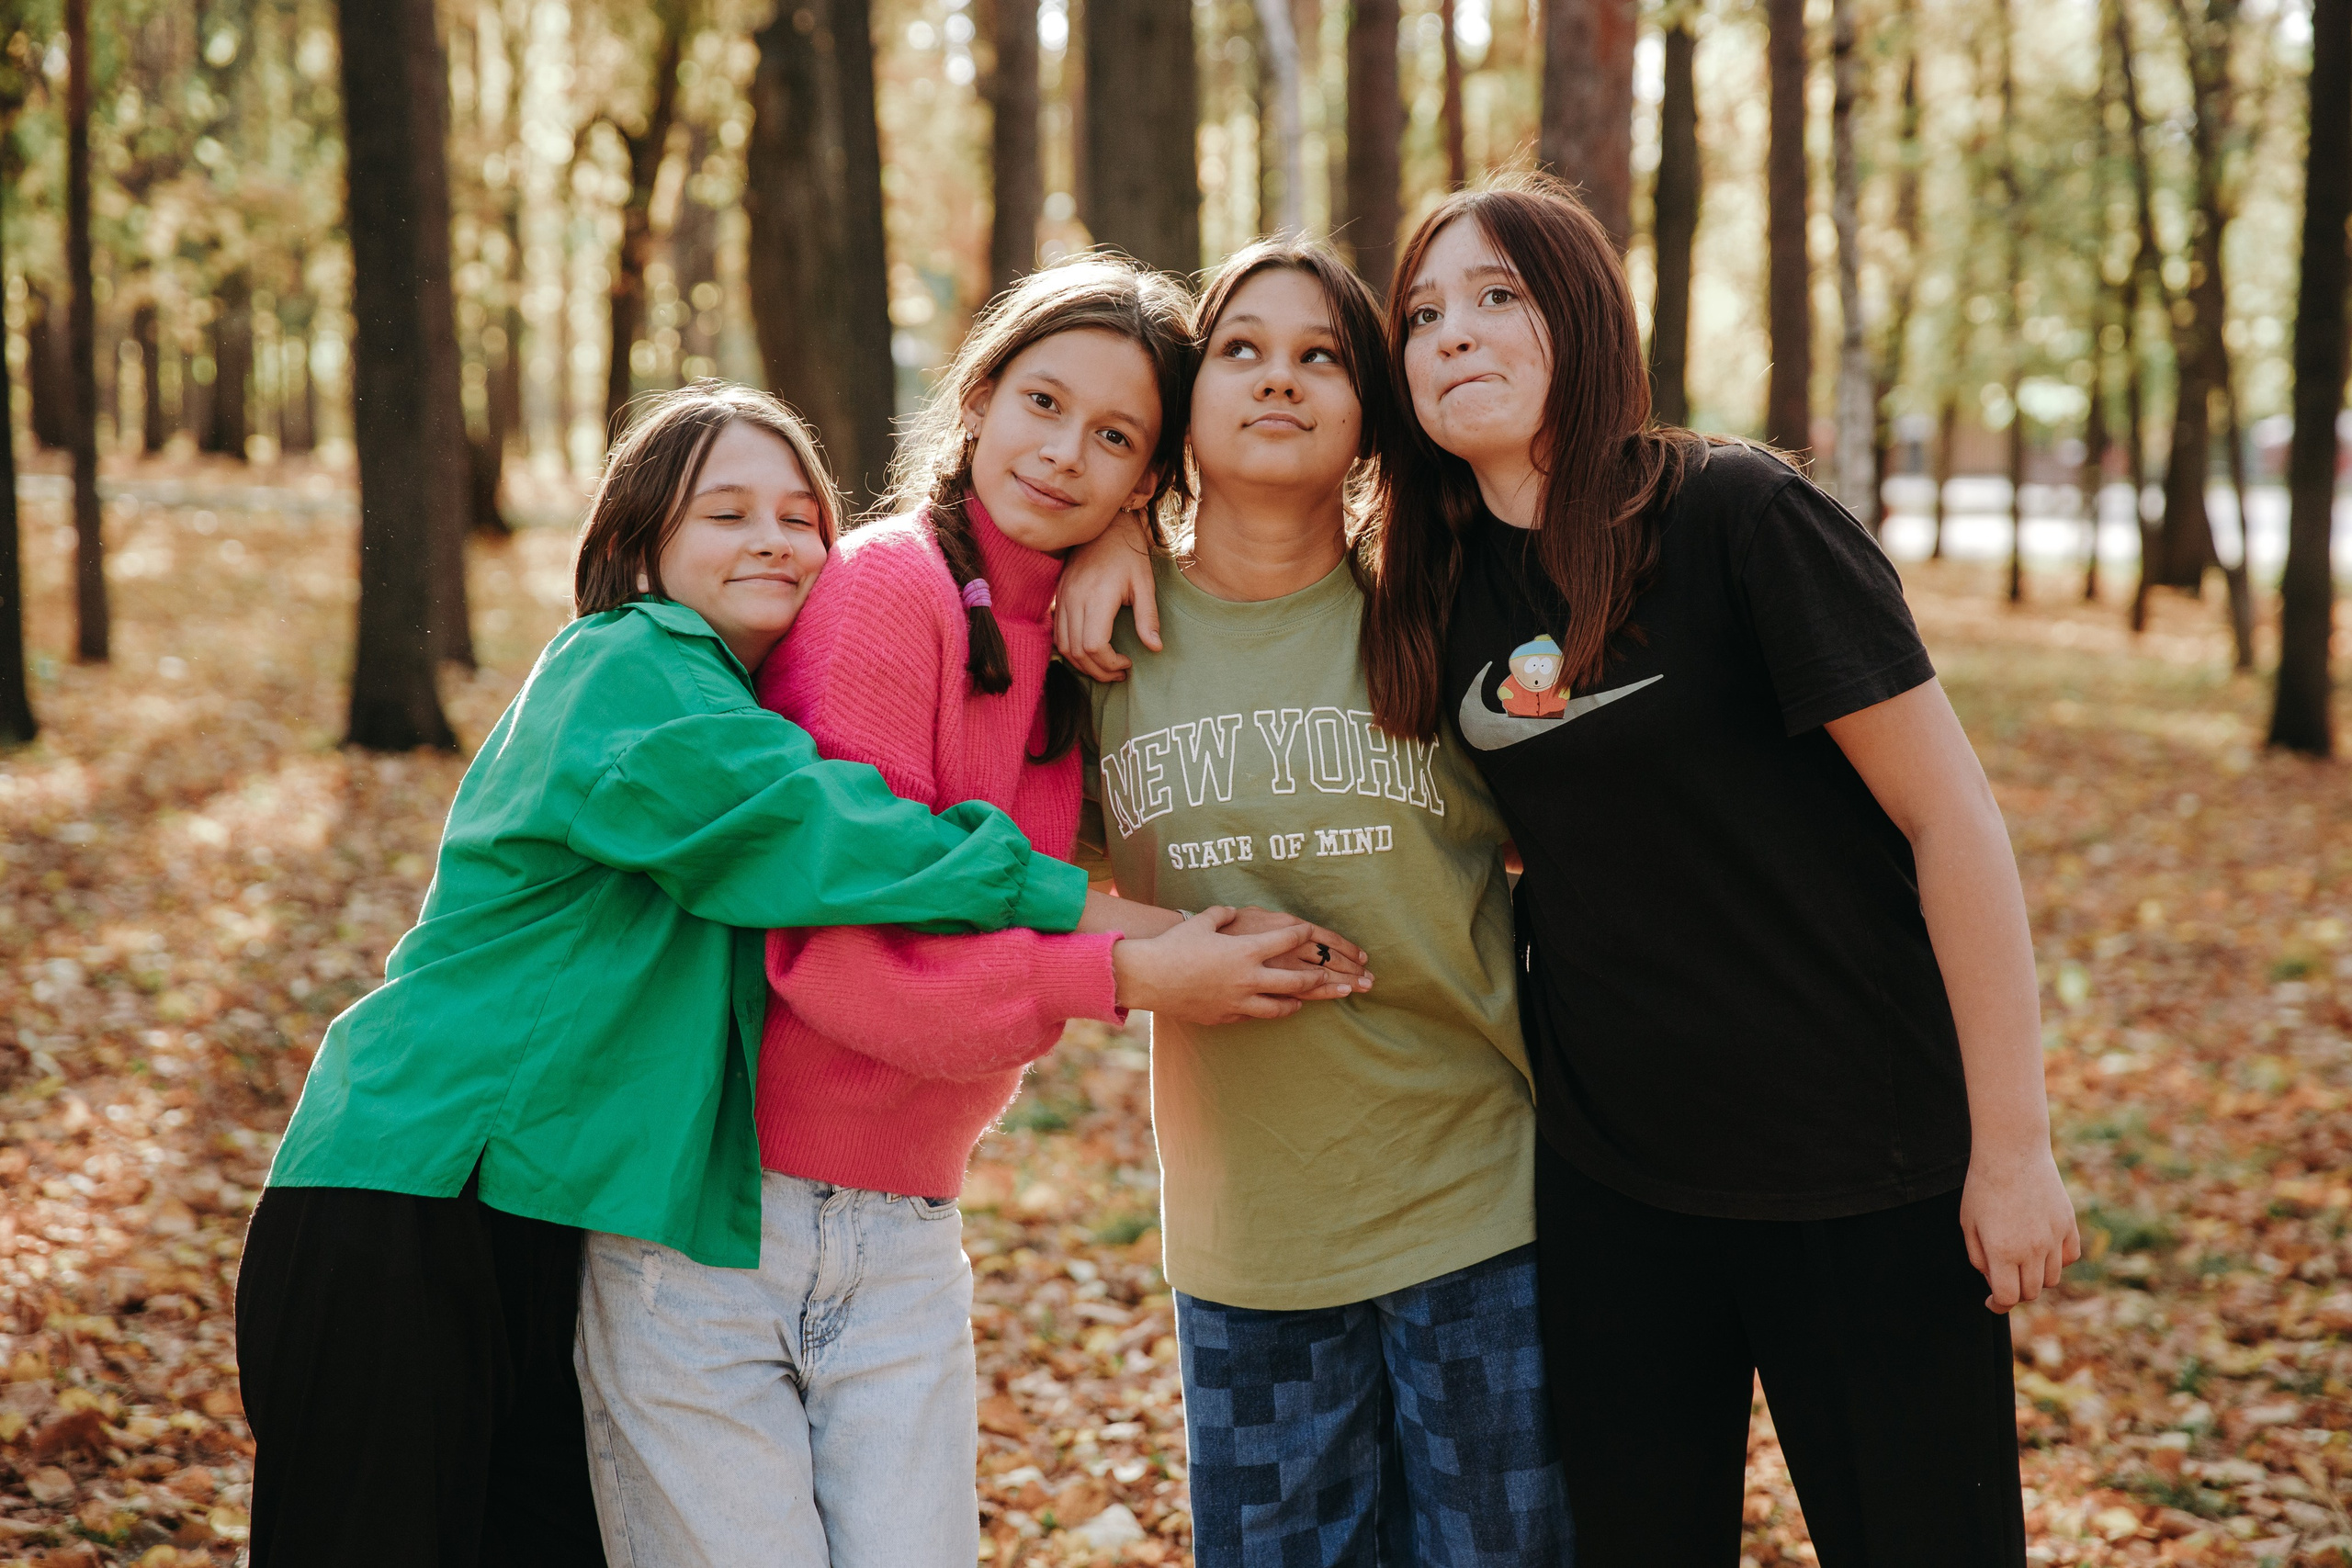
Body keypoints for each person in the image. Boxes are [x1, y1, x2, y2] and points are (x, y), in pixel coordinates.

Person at [571, 259, 1370, 1568]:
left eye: (1115, 438)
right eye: (1043, 404)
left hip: (905, 1234)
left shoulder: (1082, 628)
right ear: (981, 398)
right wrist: (1132, 974)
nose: (1063, 455)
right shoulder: (890, 590)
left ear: (1147, 479)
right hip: (723, 1230)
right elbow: (836, 967)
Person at [237, 384, 1102, 1567]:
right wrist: (1075, 906)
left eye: (803, 517)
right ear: (642, 543)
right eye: (727, 514)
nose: (775, 540)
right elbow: (809, 828)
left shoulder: (737, 701)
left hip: (548, 1224)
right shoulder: (628, 668)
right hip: (414, 1197)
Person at [1369, 175, 2076, 1564]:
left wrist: (2016, 1148)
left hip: (1861, 1167)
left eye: (1499, 296)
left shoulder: (1737, 514)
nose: (1453, 333)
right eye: (1424, 313)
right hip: (1614, 1192)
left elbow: (1955, 822)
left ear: (1582, 317)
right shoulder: (1433, 587)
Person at [1058, 239, 1574, 1567]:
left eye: (1319, 356)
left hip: (1477, 1205)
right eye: (1241, 349)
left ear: (1367, 416)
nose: (1278, 379)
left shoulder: (1440, 611)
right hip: (1249, 1243)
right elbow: (1028, 893)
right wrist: (1161, 956)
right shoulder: (1104, 642)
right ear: (1185, 404)